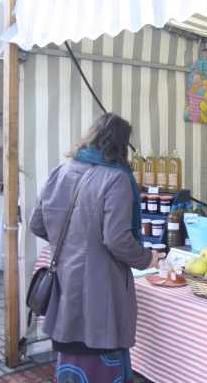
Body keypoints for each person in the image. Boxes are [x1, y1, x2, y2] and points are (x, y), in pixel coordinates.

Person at [30, 113, 164, 383]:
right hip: (101, 289)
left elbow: (36, 223)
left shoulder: (62, 170)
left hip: (66, 282)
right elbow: (117, 240)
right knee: (101, 357)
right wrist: (148, 259)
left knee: (73, 357)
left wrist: (69, 243)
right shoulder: (117, 179)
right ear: (121, 145)